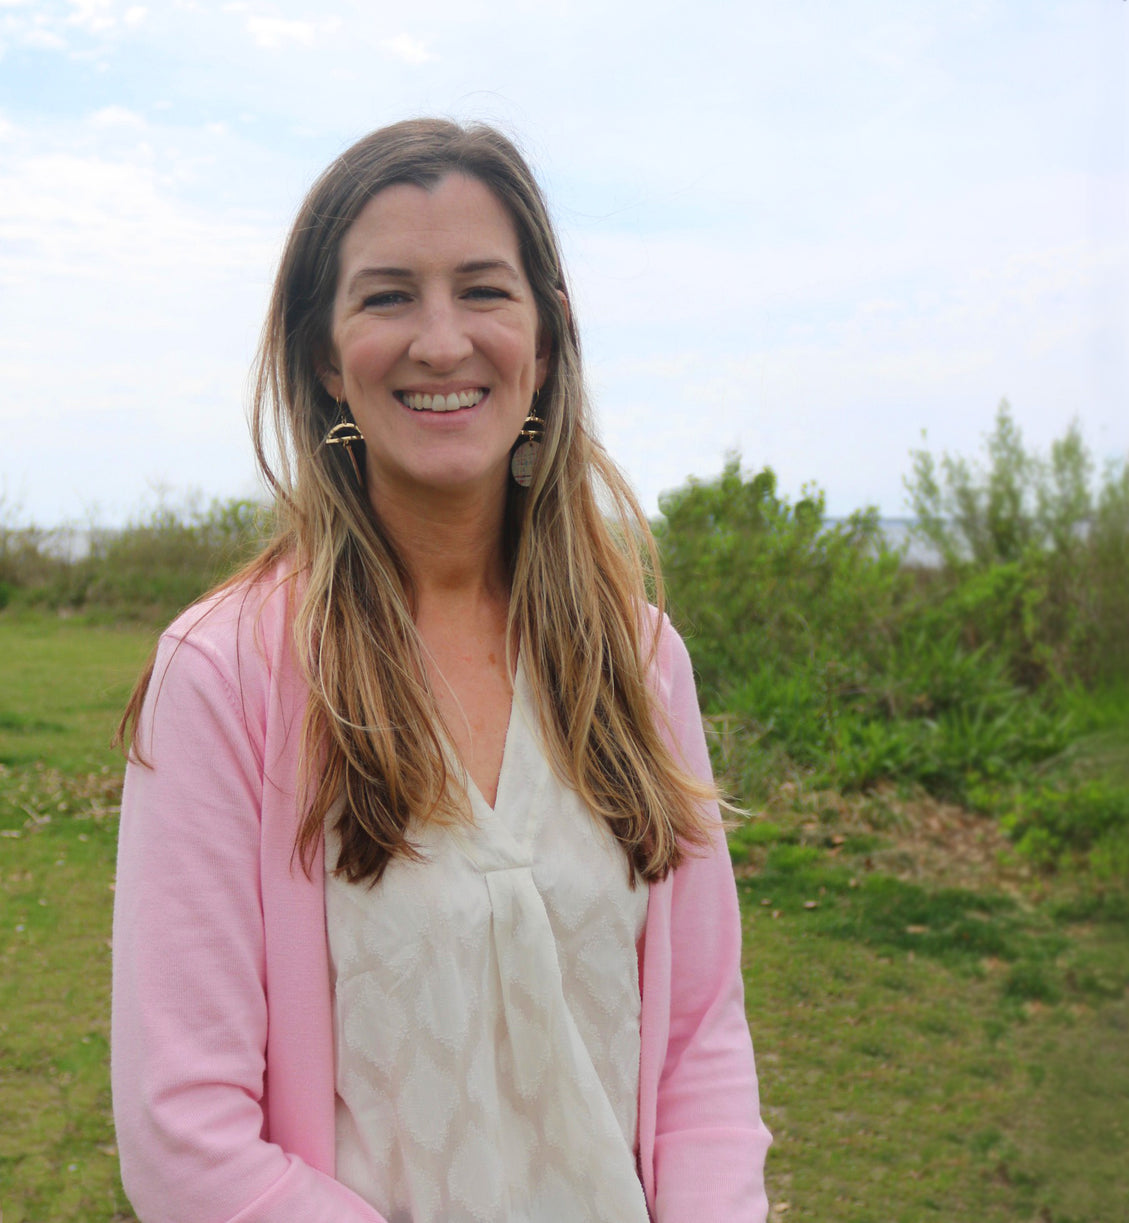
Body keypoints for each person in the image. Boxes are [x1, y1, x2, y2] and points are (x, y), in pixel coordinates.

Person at [111, 118, 772, 1223]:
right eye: (385, 296)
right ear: (324, 353)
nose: (439, 340)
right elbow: (187, 1134)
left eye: (482, 289)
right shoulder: (223, 677)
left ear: (546, 339)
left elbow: (702, 1047)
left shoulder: (642, 659)